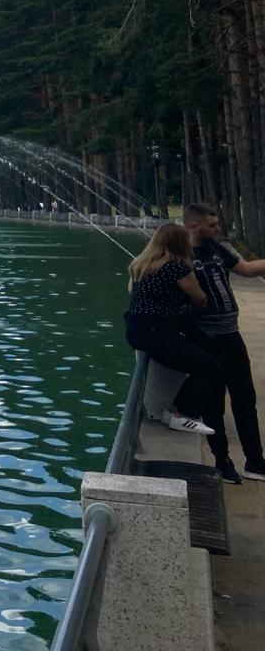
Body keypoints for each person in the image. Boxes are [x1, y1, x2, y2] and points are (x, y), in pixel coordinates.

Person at [185, 202, 265, 483]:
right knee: (214, 405)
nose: (218, 228)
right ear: (195, 226)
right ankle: (223, 462)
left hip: (233, 336)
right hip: (207, 341)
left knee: (246, 400)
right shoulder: (182, 255)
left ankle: (255, 462)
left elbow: (245, 269)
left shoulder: (219, 249)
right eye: (213, 225)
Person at [124, 222, 223, 436]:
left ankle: (184, 411)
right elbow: (200, 298)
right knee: (210, 367)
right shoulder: (177, 268)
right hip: (158, 332)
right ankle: (181, 414)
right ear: (180, 243)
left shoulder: (141, 265)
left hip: (137, 329)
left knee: (206, 352)